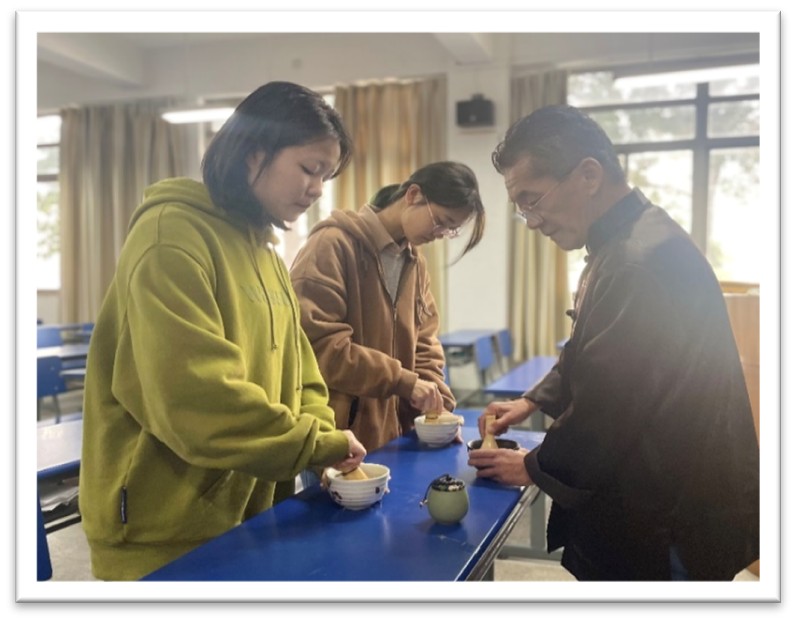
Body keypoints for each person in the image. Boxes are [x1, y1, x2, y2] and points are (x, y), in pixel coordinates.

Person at [78, 81, 367, 581]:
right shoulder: (169, 237)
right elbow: (194, 394)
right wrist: (314, 446)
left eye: (326, 175)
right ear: (254, 154)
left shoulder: (266, 253)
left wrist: (323, 435)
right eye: (309, 168)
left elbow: (303, 375)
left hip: (248, 514)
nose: (318, 188)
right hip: (161, 531)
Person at [468, 104, 759, 581]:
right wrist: (531, 401)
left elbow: (611, 403)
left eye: (532, 200)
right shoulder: (628, 238)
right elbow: (594, 349)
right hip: (664, 490)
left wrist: (535, 465)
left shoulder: (636, 261)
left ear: (588, 175)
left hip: (669, 511)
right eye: (522, 209)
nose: (532, 221)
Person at [290, 161, 485, 451]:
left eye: (450, 230)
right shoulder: (332, 245)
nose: (440, 233)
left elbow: (425, 343)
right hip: (337, 435)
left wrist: (437, 406)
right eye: (441, 221)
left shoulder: (414, 263)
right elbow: (318, 346)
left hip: (395, 434)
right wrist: (402, 381)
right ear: (413, 195)